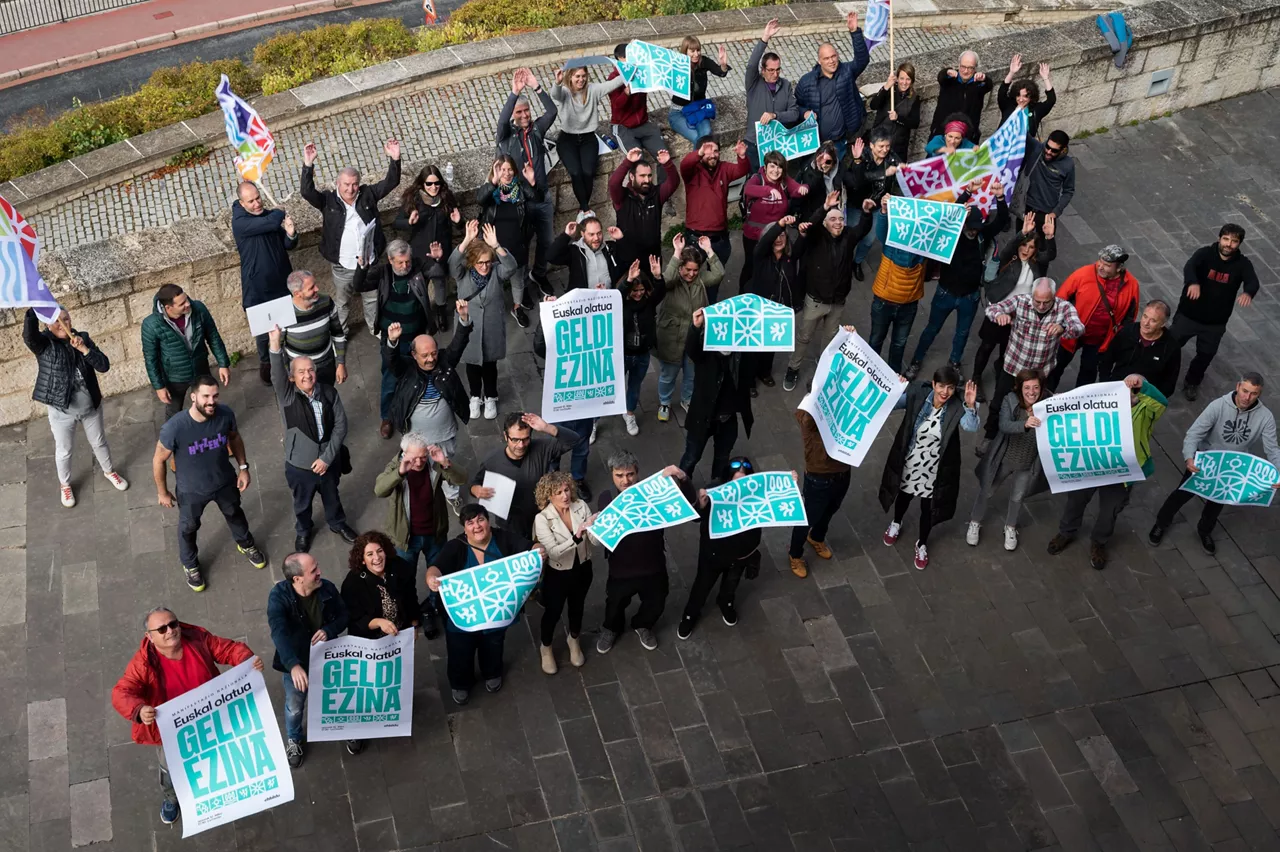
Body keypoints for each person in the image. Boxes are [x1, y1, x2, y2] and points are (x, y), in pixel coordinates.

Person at [111, 608, 262, 825]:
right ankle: (172, 799)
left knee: (226, 754)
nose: (170, 631)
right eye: (161, 629)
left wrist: (247, 660)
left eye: (173, 624)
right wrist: (139, 709)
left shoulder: (198, 639)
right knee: (170, 769)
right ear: (149, 637)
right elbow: (122, 692)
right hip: (173, 731)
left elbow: (229, 649)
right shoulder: (143, 664)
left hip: (211, 716)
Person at [153, 376, 267, 592]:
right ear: (193, 397)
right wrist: (163, 492)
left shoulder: (225, 414)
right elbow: (159, 459)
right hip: (191, 491)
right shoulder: (175, 427)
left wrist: (243, 468)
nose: (211, 401)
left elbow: (234, 438)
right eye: (206, 396)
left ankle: (245, 543)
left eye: (215, 396)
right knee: (188, 528)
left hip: (224, 482)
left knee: (235, 513)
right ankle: (190, 564)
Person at [1150, 372, 1280, 553]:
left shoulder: (1265, 417)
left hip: (1235, 466)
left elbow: (1272, 449)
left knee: (1217, 502)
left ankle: (1204, 531)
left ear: (1260, 394)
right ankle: (1161, 523)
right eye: (1244, 391)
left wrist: (1278, 472)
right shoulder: (1218, 406)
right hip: (1207, 461)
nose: (1247, 397)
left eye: (1253, 394)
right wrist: (1189, 457)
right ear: (1237, 387)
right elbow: (1194, 434)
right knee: (1182, 494)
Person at [1048, 373, 1168, 569]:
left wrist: (1141, 386)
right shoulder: (1102, 402)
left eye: (1134, 389)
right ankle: (1066, 532)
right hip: (1093, 463)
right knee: (1076, 500)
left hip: (1122, 471)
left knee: (1109, 511)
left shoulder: (1147, 409)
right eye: (1126, 387)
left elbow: (1161, 402)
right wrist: (1060, 403)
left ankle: (1099, 542)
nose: (1129, 393)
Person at [426, 504, 542, 704]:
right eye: (470, 523)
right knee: (459, 652)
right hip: (462, 621)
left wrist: (537, 550)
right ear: (464, 528)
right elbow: (436, 567)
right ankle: (460, 683)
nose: (476, 526)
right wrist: (432, 578)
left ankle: (492, 672)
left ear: (488, 521)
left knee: (494, 646)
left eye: (480, 520)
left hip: (495, 615)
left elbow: (527, 546)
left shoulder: (503, 538)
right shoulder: (455, 547)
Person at [24, 308, 127, 508]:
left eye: (66, 319)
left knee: (99, 442)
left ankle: (109, 471)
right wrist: (32, 311)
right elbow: (30, 337)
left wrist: (85, 350)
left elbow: (104, 365)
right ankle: (65, 484)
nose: (63, 324)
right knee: (64, 450)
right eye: (56, 322)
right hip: (62, 411)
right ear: (47, 325)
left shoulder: (83, 338)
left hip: (90, 407)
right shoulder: (45, 344)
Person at [880, 367, 981, 570]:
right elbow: (889, 404)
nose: (945, 392)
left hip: (935, 469)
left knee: (929, 507)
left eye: (950, 388)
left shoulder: (955, 406)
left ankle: (922, 543)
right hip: (910, 461)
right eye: (941, 386)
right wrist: (896, 388)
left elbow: (971, 426)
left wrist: (970, 406)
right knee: (904, 496)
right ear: (933, 384)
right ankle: (896, 523)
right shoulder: (918, 394)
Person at [267, 325, 355, 553]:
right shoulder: (287, 396)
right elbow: (276, 372)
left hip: (328, 463)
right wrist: (275, 343)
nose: (307, 375)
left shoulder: (329, 393)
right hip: (299, 466)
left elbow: (340, 426)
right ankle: (303, 531)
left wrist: (327, 458)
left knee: (332, 495)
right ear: (292, 377)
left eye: (310, 370)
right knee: (301, 503)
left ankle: (338, 523)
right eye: (301, 372)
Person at [594, 453, 694, 653]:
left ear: (637, 473)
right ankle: (611, 629)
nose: (625, 480)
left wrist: (682, 477)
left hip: (653, 566)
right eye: (619, 475)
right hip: (621, 570)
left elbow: (688, 504)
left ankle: (643, 625)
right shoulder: (606, 498)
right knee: (614, 604)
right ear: (612, 475)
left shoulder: (655, 495)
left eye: (630, 474)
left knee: (656, 603)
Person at [299, 138, 402, 333]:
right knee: (342, 301)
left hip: (369, 262)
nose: (350, 189)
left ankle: (374, 329)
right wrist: (308, 164)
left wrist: (394, 158)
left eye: (354, 184)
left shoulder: (368, 195)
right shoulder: (328, 200)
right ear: (338, 183)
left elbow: (391, 182)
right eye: (346, 184)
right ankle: (341, 332)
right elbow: (306, 191)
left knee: (371, 299)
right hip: (342, 266)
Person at [906, 191, 1009, 379]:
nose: (973, 231)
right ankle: (916, 360)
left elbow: (1001, 220)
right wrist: (964, 196)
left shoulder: (982, 235)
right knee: (931, 329)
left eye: (976, 228)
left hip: (970, 296)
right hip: (946, 292)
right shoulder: (952, 234)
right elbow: (944, 218)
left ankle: (955, 362)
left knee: (962, 333)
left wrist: (1000, 199)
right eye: (970, 227)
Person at [373, 435, 466, 639]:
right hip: (406, 538)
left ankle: (433, 608)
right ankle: (413, 616)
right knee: (405, 580)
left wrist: (444, 462)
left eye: (423, 457)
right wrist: (399, 473)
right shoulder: (397, 466)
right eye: (414, 458)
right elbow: (379, 490)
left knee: (438, 576)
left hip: (434, 533)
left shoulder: (433, 463)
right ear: (404, 454)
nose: (419, 462)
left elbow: (461, 479)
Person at [384, 300, 472, 511]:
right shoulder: (407, 368)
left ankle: (452, 495)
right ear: (414, 355)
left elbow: (458, 344)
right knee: (417, 469)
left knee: (447, 464)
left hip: (445, 433)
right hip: (417, 437)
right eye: (425, 356)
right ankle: (420, 498)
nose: (431, 359)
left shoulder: (444, 361)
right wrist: (392, 342)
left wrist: (463, 320)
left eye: (433, 353)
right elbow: (391, 362)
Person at [980, 278, 1084, 450]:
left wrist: (1063, 329)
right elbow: (992, 308)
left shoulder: (1064, 307)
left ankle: (1031, 444)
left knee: (1041, 408)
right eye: (1038, 301)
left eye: (1046, 302)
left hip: (1040, 372)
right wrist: (1000, 315)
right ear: (1032, 295)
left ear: (1054, 297)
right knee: (998, 403)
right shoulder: (1020, 301)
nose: (1041, 306)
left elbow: (1079, 327)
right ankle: (989, 436)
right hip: (1014, 367)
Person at [267, 552, 350, 766]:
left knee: (339, 696)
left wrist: (329, 630)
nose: (319, 572)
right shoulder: (279, 596)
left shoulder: (327, 589)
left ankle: (350, 726)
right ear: (297, 579)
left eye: (317, 566)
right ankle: (294, 739)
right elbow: (278, 632)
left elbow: (344, 616)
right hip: (298, 661)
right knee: (295, 706)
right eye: (313, 570)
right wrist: (293, 665)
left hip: (328, 657)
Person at [677, 457, 768, 639]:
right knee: (701, 587)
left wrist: (790, 484)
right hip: (713, 555)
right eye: (736, 481)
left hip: (740, 556)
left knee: (731, 585)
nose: (739, 487)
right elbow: (695, 518)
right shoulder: (714, 491)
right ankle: (690, 615)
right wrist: (701, 506)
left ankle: (725, 602)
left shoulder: (759, 493)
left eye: (744, 481)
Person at [972, 214, 1058, 398]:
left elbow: (1050, 255)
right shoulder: (1009, 259)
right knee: (987, 346)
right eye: (1024, 245)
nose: (1026, 250)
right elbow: (1008, 248)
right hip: (999, 311)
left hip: (1019, 317)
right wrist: (1022, 234)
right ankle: (976, 378)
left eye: (1031, 247)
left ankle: (1001, 372)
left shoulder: (1037, 266)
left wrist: (1050, 237)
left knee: (1007, 349)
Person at [356, 239, 435, 437]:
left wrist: (437, 260)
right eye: (399, 262)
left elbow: (440, 273)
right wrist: (362, 267)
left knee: (419, 376)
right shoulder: (382, 273)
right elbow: (359, 285)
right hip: (392, 340)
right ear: (390, 260)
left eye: (407, 261)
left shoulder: (418, 268)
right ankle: (387, 417)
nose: (404, 266)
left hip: (416, 336)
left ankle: (415, 413)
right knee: (390, 378)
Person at [1173, 224, 1261, 400]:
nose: (1229, 244)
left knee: (1205, 355)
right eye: (1226, 239)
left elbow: (1252, 281)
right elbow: (1190, 267)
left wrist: (1248, 292)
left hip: (1215, 323)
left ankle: (1192, 382)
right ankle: (1157, 373)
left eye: (1234, 241)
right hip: (1188, 315)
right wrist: (1192, 282)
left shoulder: (1243, 264)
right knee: (1170, 345)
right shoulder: (1205, 254)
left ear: (1239, 244)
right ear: (1219, 238)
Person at [967, 368, 1046, 552]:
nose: (1032, 392)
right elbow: (1004, 425)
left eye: (1036, 387)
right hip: (1004, 458)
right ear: (1020, 388)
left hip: (1028, 462)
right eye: (1027, 387)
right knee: (987, 489)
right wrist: (1024, 424)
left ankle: (1010, 527)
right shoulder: (1009, 400)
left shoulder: (1048, 403)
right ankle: (974, 521)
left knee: (1018, 497)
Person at [785, 191, 856, 392]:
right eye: (832, 219)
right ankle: (793, 367)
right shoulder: (817, 236)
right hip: (815, 301)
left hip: (837, 302)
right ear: (824, 223)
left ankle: (824, 371)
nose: (838, 222)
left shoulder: (847, 237)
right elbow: (810, 225)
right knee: (804, 337)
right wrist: (824, 207)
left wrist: (868, 214)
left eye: (841, 219)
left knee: (831, 339)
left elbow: (863, 228)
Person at [496, 68, 558, 296]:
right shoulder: (506, 136)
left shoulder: (537, 130)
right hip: (521, 201)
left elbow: (552, 111)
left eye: (526, 111)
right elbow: (501, 122)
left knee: (546, 241)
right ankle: (521, 286)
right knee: (522, 247)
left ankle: (539, 274)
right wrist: (514, 93)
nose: (524, 115)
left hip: (542, 196)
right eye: (519, 112)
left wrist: (536, 87)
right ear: (513, 115)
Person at [470, 413, 580, 538]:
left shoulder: (542, 448)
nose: (521, 445)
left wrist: (546, 427)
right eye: (515, 440)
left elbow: (574, 440)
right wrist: (476, 490)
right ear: (506, 436)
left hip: (542, 517)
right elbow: (475, 482)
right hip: (510, 524)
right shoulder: (492, 460)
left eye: (526, 439)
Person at [1047, 245, 1140, 390]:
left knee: (1088, 374)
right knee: (1055, 368)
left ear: (1119, 268)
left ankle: (1080, 404)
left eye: (1107, 265)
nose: (1100, 267)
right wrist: (1060, 324)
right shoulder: (1083, 274)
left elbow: (1130, 316)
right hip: (1070, 332)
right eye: (1100, 262)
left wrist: (1117, 337)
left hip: (1100, 340)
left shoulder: (1132, 285)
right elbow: (1061, 299)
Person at [231, 181, 297, 384]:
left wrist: (290, 233)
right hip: (257, 288)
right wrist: (278, 213)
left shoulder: (268, 216)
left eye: (258, 198)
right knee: (262, 333)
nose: (257, 203)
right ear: (241, 203)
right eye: (250, 201)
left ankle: (289, 362)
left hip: (280, 283)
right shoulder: (241, 222)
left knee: (287, 326)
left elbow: (288, 245)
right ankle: (266, 364)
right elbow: (270, 223)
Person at [679, 307, 755, 481]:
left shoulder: (741, 354)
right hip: (703, 417)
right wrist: (696, 327)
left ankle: (717, 492)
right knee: (691, 457)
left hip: (727, 419)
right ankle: (680, 487)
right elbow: (691, 350)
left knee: (721, 461)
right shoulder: (705, 352)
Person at [451, 220, 517, 420]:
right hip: (468, 327)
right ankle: (474, 396)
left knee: (490, 366)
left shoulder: (497, 271)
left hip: (491, 327)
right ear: (472, 262)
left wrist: (496, 246)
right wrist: (467, 239)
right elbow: (452, 264)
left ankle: (490, 396)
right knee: (472, 365)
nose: (485, 266)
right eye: (480, 262)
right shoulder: (462, 274)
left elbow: (512, 267)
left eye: (488, 261)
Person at [532, 472, 593, 673]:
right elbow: (553, 552)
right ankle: (546, 646)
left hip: (583, 567)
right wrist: (576, 537)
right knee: (553, 611)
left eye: (566, 490)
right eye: (558, 492)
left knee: (578, 606)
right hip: (558, 574)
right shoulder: (542, 519)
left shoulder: (581, 506)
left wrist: (598, 528)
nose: (565, 495)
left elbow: (593, 541)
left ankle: (574, 639)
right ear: (549, 496)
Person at [141, 284, 231, 419]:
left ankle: (211, 434)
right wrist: (159, 387)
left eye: (186, 299)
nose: (188, 304)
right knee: (174, 412)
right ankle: (173, 439)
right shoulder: (151, 324)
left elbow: (213, 336)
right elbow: (150, 358)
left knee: (208, 405)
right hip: (175, 376)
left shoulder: (199, 309)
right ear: (168, 308)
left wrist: (223, 363)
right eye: (182, 303)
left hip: (200, 368)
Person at [656, 236, 721, 420]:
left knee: (691, 374)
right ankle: (664, 403)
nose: (692, 274)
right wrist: (676, 253)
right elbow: (665, 280)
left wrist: (709, 251)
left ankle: (687, 399)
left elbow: (719, 274)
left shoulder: (700, 279)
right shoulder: (673, 277)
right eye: (688, 270)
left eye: (695, 270)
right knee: (668, 375)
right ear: (680, 267)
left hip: (693, 335)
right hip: (672, 335)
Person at [550, 64, 626, 217]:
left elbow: (614, 83)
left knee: (588, 172)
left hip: (588, 138)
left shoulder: (593, 90)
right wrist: (557, 83)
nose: (581, 79)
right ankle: (585, 210)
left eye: (583, 76)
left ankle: (582, 210)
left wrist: (630, 70)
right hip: (567, 139)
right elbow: (555, 95)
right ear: (570, 77)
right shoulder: (565, 92)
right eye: (577, 76)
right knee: (576, 172)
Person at [477, 155, 543, 328]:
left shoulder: (520, 189)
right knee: (493, 282)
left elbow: (537, 199)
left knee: (518, 280)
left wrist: (533, 182)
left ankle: (517, 307)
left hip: (517, 243)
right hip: (494, 247)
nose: (506, 173)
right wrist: (493, 182)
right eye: (502, 169)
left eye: (509, 169)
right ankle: (493, 309)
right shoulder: (492, 191)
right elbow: (480, 199)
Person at [795, 12, 870, 162]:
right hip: (814, 143)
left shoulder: (847, 72)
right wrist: (804, 112)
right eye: (827, 58)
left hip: (839, 142)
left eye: (834, 56)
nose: (831, 61)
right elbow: (795, 106)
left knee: (835, 178)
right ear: (819, 61)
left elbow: (862, 60)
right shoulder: (807, 81)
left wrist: (855, 32)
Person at [788, 404, 852, 578]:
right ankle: (795, 555)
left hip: (843, 472)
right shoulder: (808, 414)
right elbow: (807, 420)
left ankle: (817, 537)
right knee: (807, 518)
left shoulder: (841, 408)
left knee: (831, 509)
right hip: (819, 478)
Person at [869, 195, 928, 373]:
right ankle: (872, 373)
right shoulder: (891, 242)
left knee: (895, 343)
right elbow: (881, 231)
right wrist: (885, 211)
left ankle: (891, 378)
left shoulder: (924, 247)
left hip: (906, 305)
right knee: (879, 341)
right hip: (886, 303)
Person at [400, 164, 462, 331]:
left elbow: (458, 226)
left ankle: (441, 312)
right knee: (420, 285)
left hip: (441, 251)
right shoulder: (414, 200)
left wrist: (458, 222)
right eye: (429, 184)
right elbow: (397, 223)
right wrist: (409, 222)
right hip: (420, 253)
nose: (433, 187)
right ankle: (424, 315)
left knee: (441, 283)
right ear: (422, 184)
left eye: (437, 183)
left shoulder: (446, 198)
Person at [746, 217, 803, 391]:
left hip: (778, 310)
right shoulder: (760, 256)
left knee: (770, 345)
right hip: (758, 309)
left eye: (782, 235)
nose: (778, 239)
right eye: (775, 236)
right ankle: (748, 381)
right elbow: (764, 243)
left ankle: (764, 372)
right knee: (754, 347)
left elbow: (803, 240)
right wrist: (780, 225)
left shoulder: (789, 258)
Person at [739, 150, 807, 286]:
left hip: (776, 235)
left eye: (779, 167)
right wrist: (768, 190)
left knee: (772, 267)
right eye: (772, 166)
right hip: (754, 235)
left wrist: (803, 188)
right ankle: (744, 295)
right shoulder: (758, 179)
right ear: (765, 167)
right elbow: (748, 189)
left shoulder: (784, 181)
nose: (776, 170)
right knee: (751, 267)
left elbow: (797, 188)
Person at [681, 137, 750, 268]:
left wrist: (741, 156)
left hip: (720, 238)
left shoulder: (724, 168)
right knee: (693, 279)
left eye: (716, 151)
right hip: (696, 238)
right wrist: (699, 154)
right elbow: (684, 164)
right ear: (700, 152)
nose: (712, 155)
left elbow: (742, 170)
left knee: (715, 280)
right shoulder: (691, 171)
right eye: (708, 151)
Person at [341, 531, 422, 640]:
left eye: (380, 551)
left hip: (400, 632)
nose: (377, 557)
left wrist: (414, 625)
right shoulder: (352, 583)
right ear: (363, 560)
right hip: (371, 641)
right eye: (370, 554)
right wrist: (378, 622)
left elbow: (411, 599)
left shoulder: (400, 567)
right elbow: (354, 619)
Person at [745, 19, 802, 171]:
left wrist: (775, 115)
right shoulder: (754, 84)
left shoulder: (786, 85)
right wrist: (765, 38)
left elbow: (794, 113)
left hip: (776, 145)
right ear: (763, 70)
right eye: (771, 70)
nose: (775, 74)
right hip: (754, 143)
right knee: (755, 181)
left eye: (778, 69)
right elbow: (751, 65)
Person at [609, 147, 680, 269]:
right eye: (642, 176)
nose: (646, 180)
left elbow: (673, 183)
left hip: (653, 258)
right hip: (627, 257)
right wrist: (627, 162)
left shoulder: (657, 194)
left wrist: (668, 164)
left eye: (649, 176)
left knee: (654, 286)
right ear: (632, 177)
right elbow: (613, 183)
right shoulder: (622, 196)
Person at [845, 130, 901, 279]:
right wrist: (883, 174)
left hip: (876, 206)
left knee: (869, 240)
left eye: (887, 146)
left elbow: (903, 175)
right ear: (871, 145)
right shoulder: (861, 157)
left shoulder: (892, 158)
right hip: (856, 206)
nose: (885, 150)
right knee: (850, 235)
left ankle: (857, 262)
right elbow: (858, 182)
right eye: (881, 146)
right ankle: (844, 261)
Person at [619, 255, 666, 436]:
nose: (638, 293)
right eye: (634, 290)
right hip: (622, 354)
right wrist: (628, 280)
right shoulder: (621, 302)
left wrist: (658, 277)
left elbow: (660, 291)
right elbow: (617, 294)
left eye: (641, 289)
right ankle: (594, 421)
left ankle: (629, 413)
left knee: (635, 386)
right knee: (611, 388)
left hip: (642, 355)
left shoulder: (648, 303)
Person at [1098, 299, 1180, 397]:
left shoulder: (1171, 347)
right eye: (1145, 316)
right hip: (1115, 391)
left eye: (1153, 320)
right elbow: (1106, 360)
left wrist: (1147, 393)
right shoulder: (1127, 332)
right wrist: (1106, 385)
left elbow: (1169, 384)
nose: (1146, 323)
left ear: (1162, 324)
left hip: (1144, 399)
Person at [279, 270, 347, 388]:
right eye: (311, 288)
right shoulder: (284, 313)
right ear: (297, 293)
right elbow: (277, 347)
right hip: (301, 374)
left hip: (326, 365)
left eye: (315, 284)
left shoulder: (326, 302)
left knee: (327, 400)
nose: (317, 289)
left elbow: (338, 334)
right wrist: (288, 372)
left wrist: (341, 364)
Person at [608, 43, 668, 158]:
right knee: (637, 160)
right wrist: (626, 93)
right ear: (621, 59)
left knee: (663, 157)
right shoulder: (613, 78)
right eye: (630, 57)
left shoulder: (641, 72)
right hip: (623, 126)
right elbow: (616, 106)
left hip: (642, 123)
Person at [670, 36, 730, 144]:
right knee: (697, 139)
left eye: (698, 50)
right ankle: (698, 160)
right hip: (679, 111)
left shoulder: (703, 62)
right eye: (692, 51)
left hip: (698, 108)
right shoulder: (678, 65)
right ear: (685, 51)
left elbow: (720, 72)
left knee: (706, 133)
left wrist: (723, 65)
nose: (696, 54)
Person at [548, 217, 626, 291]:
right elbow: (551, 257)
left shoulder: (610, 247)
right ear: (583, 234)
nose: (596, 238)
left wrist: (621, 239)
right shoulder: (575, 251)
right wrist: (566, 236)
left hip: (609, 298)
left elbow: (628, 260)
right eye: (591, 234)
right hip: (584, 301)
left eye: (599, 233)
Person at [930, 51, 991, 142]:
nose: (966, 71)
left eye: (970, 68)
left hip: (966, 137)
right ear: (958, 65)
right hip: (942, 134)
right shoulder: (950, 80)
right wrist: (947, 71)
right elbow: (941, 77)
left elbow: (989, 85)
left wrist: (984, 78)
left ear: (975, 68)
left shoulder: (978, 84)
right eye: (963, 67)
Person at [866, 63, 921, 161]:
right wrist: (886, 87)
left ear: (912, 81)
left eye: (908, 79)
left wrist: (898, 118)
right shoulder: (889, 90)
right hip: (880, 141)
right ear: (897, 78)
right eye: (902, 78)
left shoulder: (914, 98)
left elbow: (915, 123)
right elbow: (873, 105)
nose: (904, 82)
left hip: (898, 145)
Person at [1022, 131, 1075, 231]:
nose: (1048, 152)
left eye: (1054, 150)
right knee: (1020, 241)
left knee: (1046, 242)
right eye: (1047, 147)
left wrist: (1055, 212)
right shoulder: (1037, 148)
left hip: (1047, 212)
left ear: (1063, 150)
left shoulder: (1068, 164)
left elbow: (1068, 191)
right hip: (1026, 206)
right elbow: (1022, 131)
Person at [998, 55, 1055, 140]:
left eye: (1025, 96)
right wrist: (1011, 72)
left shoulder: (1036, 110)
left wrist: (1045, 78)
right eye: (1018, 95)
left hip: (1024, 149)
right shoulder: (1008, 105)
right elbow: (1002, 92)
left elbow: (1051, 100)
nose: (1021, 99)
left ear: (1031, 97)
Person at [795, 142, 843, 220]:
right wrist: (818, 170)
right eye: (822, 160)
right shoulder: (809, 169)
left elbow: (854, 182)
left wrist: (857, 162)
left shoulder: (840, 170)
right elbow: (810, 188)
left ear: (833, 163)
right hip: (813, 213)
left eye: (828, 162)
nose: (824, 164)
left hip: (833, 211)